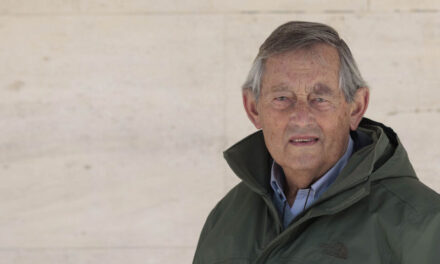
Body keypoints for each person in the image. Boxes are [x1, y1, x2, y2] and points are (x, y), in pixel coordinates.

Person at [193, 21, 440, 263]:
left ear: (356, 107)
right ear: (253, 108)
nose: (301, 118)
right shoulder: (226, 218)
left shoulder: (425, 224)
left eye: (320, 98)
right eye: (282, 98)